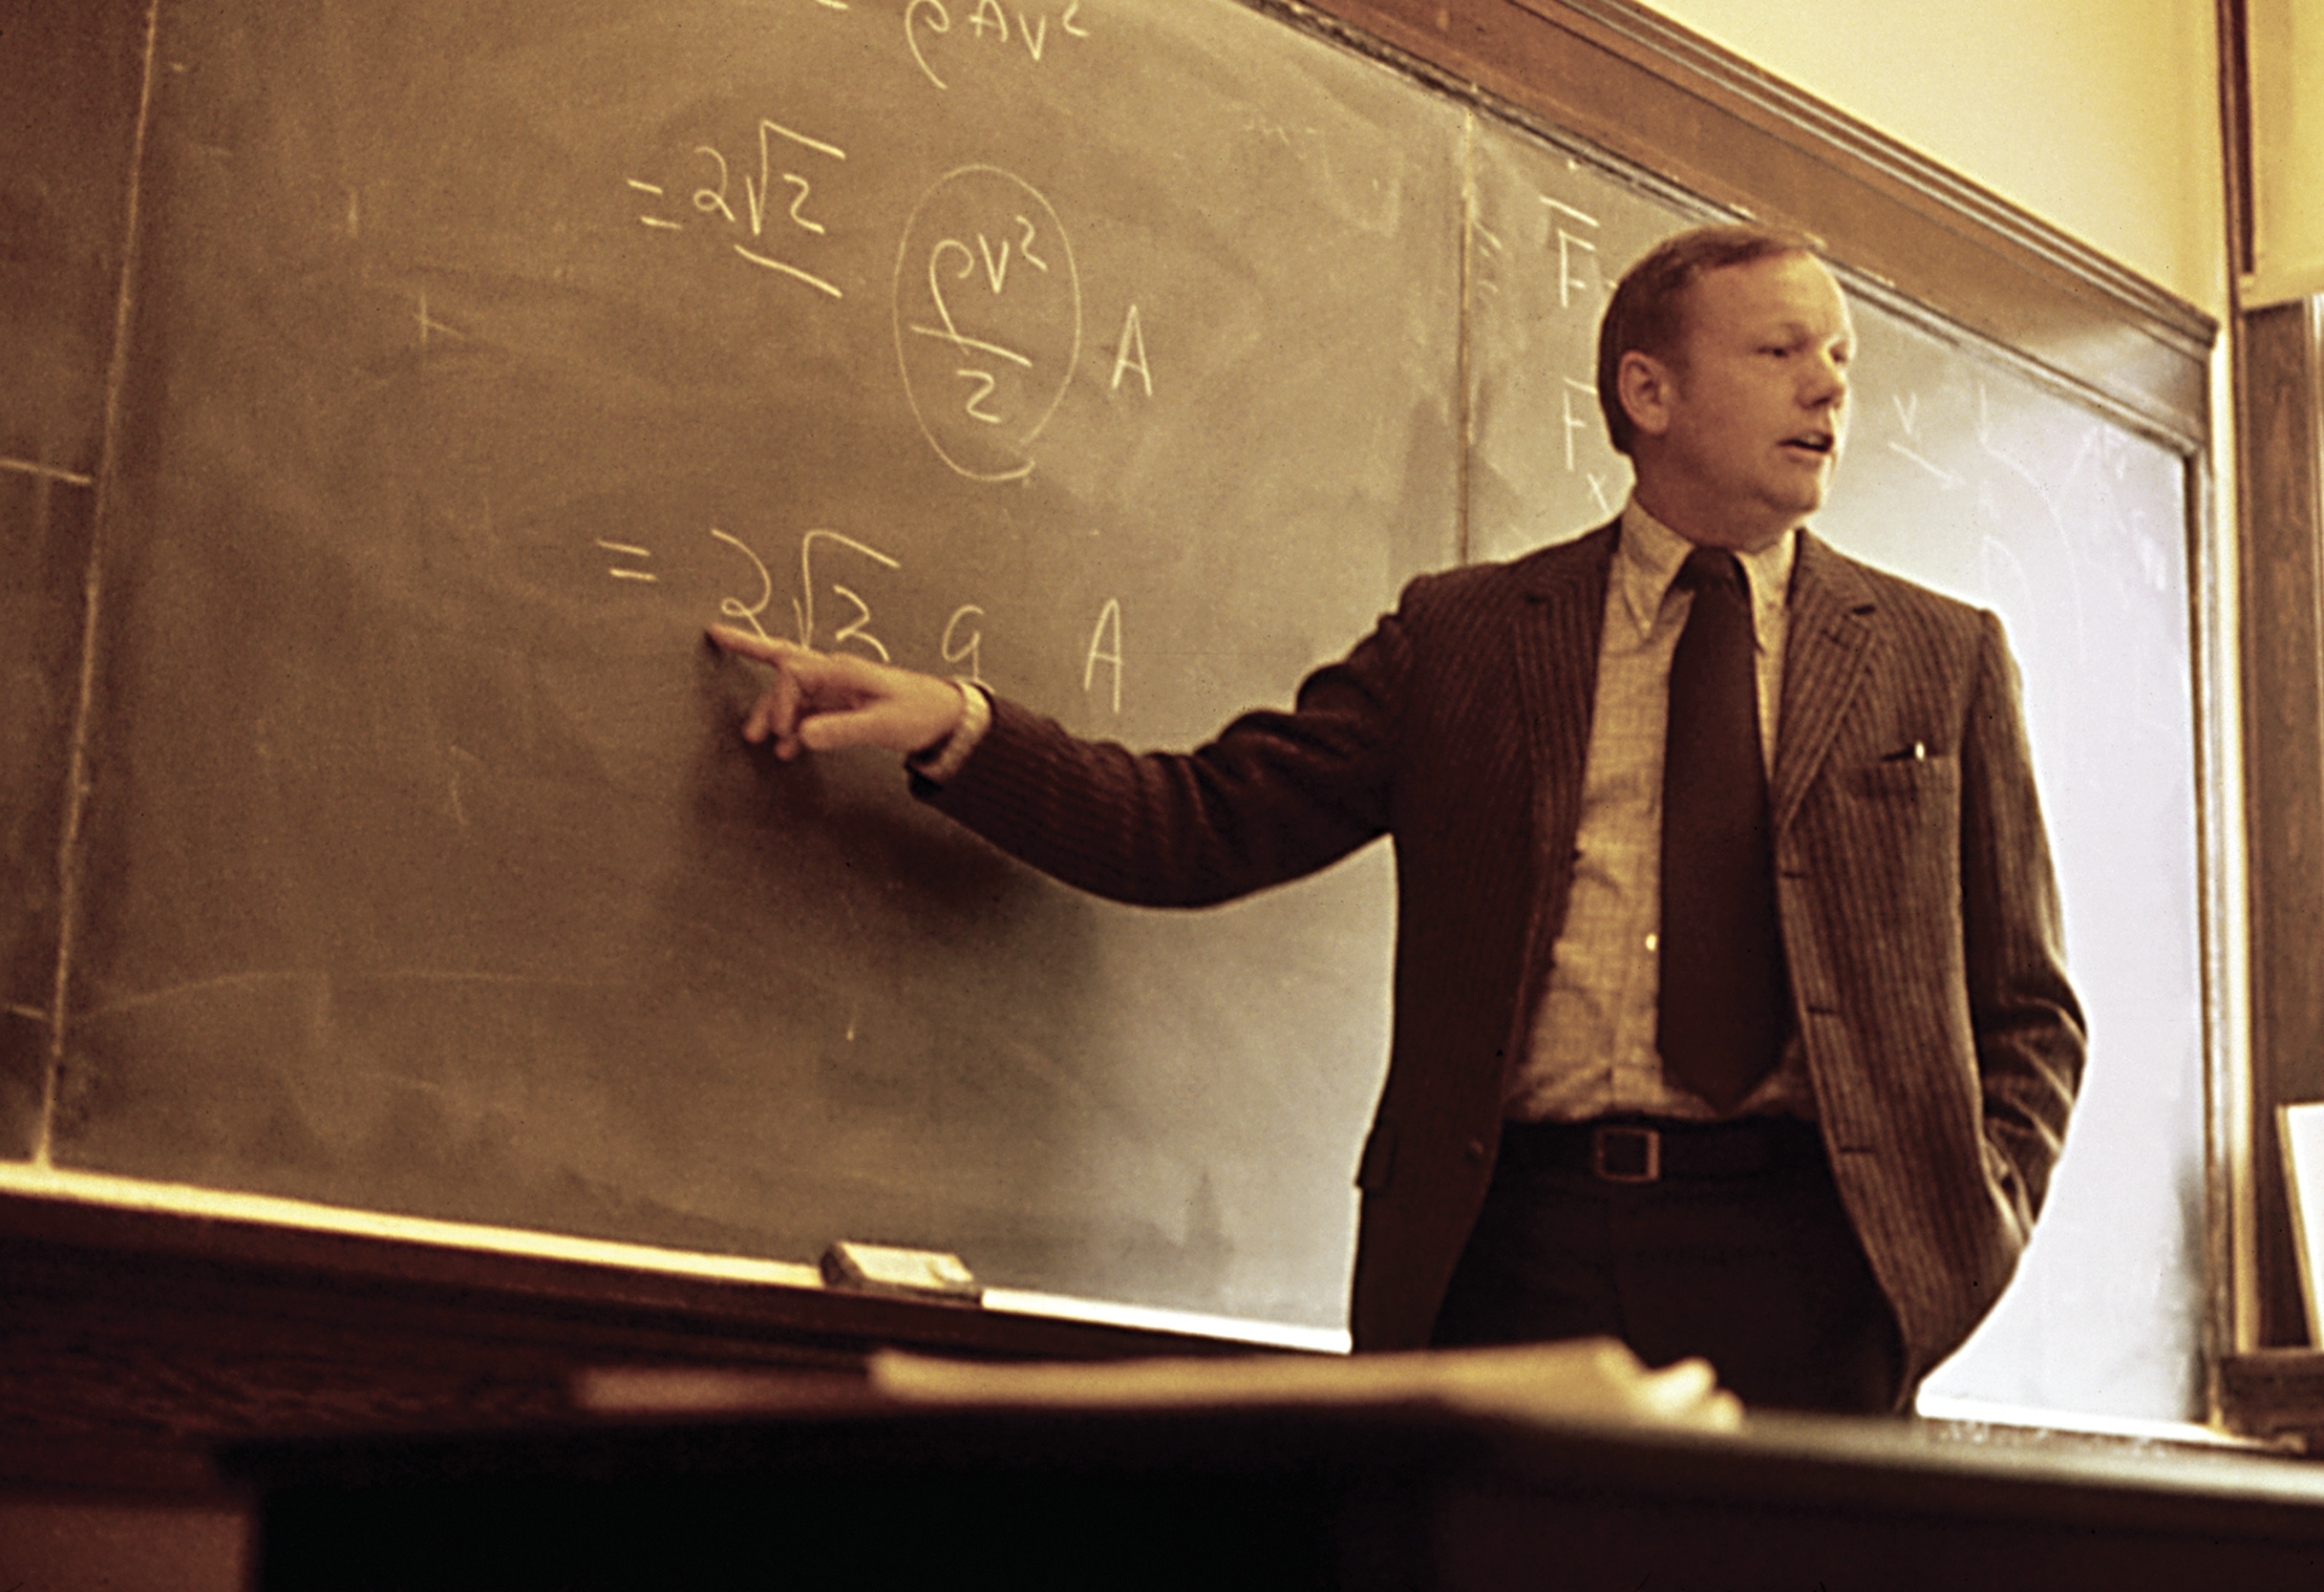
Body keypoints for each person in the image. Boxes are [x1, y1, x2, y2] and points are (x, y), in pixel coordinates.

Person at [709, 224, 2085, 1414]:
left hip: (1815, 1271)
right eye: (1784, 349)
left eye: (1841, 354)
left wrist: (1959, 1236)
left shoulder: (1935, 656)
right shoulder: (1470, 638)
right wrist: (961, 726)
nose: (1831, 382)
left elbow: (2028, 1008)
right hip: (1513, 1255)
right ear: (1648, 390)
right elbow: (1202, 823)